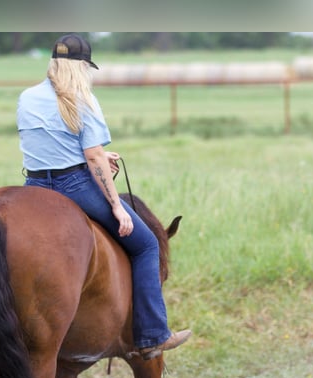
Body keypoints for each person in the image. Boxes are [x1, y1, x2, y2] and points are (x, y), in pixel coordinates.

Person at [17, 34, 190, 360]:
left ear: (53, 62)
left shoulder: (26, 97)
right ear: (83, 67)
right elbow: (94, 157)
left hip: (35, 186)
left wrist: (93, 157)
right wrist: (117, 207)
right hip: (74, 186)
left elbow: (53, 146)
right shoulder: (84, 99)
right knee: (147, 245)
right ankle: (152, 334)